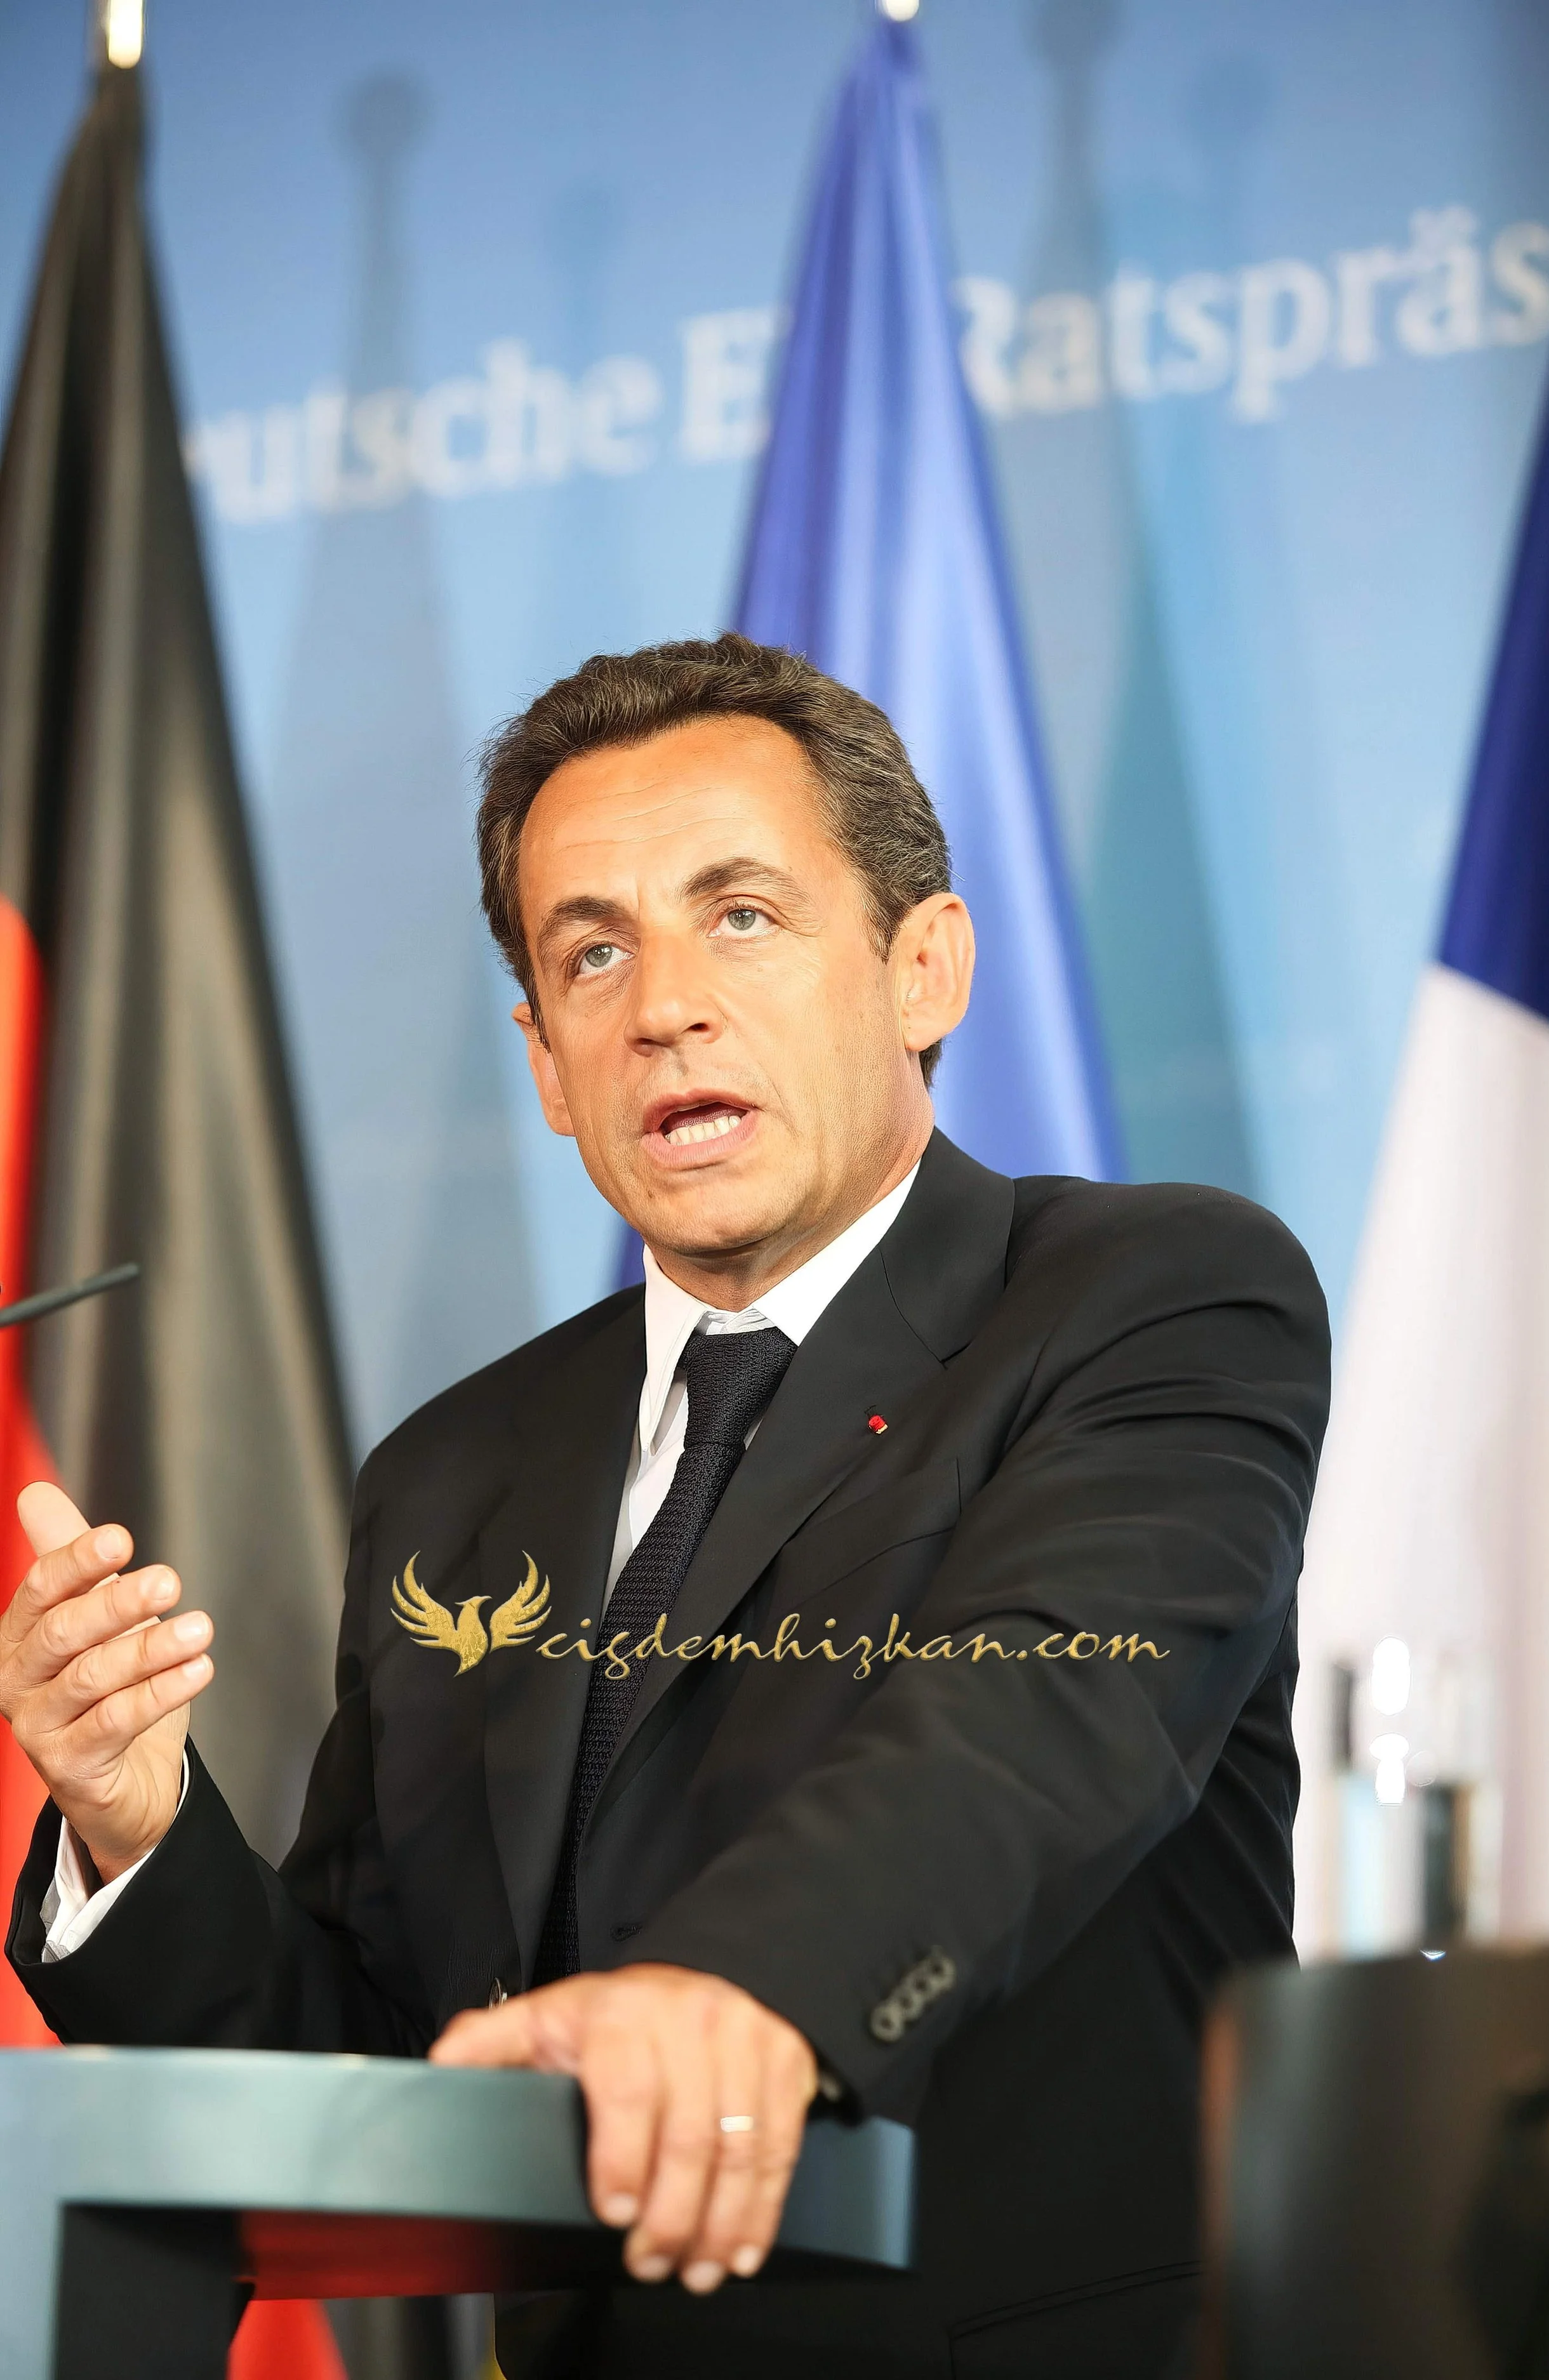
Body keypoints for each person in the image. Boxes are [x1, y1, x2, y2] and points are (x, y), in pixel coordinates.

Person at [3, 635, 1329, 2379]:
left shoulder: (1145, 1296)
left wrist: (741, 1993)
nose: (663, 1004)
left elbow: (1034, 1713)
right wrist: (132, 1823)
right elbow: (377, 2073)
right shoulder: (454, 1470)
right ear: (546, 1065)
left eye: (744, 916)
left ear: (921, 964)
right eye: (592, 949)